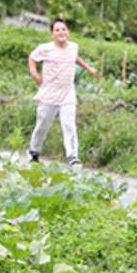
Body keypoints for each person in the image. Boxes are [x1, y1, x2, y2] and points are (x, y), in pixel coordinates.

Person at [26, 18, 99, 166]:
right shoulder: (45, 48)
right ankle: (34, 151)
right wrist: (34, 74)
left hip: (67, 94)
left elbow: (75, 58)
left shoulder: (73, 47)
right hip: (49, 94)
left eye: (63, 29)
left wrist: (89, 68)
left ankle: (72, 156)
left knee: (69, 126)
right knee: (42, 126)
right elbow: (32, 58)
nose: (61, 32)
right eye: (57, 30)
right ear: (52, 33)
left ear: (68, 32)